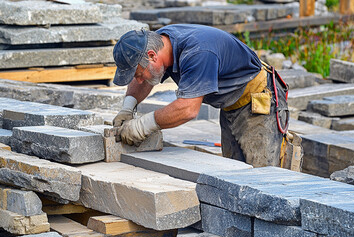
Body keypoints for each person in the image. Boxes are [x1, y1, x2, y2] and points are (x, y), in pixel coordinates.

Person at [112, 24, 289, 167]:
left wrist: (142, 126)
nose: (139, 80)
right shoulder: (159, 42)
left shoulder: (197, 52)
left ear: (152, 56)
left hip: (257, 101)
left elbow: (188, 109)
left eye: (138, 73)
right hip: (231, 104)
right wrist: (128, 107)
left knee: (263, 173)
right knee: (234, 170)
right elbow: (144, 80)